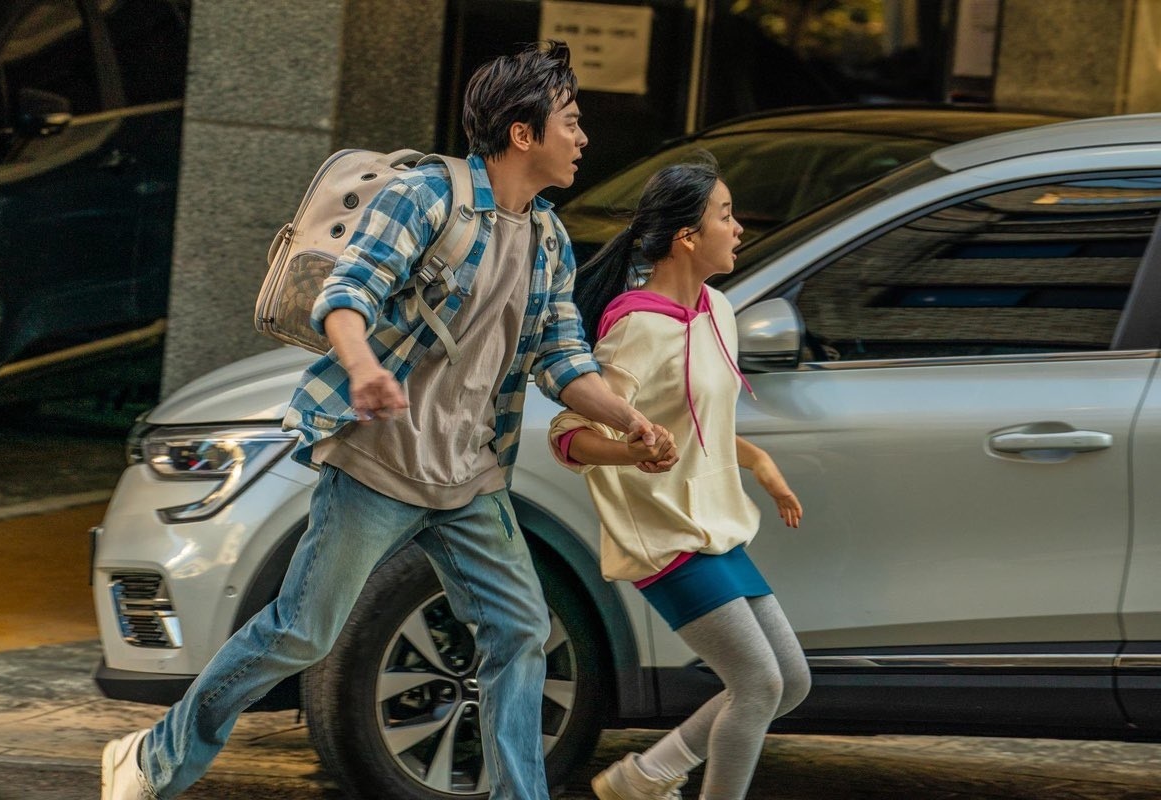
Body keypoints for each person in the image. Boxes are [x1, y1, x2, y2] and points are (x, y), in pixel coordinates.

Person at [101, 40, 669, 800]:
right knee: (302, 631)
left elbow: (562, 359)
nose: (583, 137)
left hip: (469, 478)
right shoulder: (428, 198)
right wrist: (364, 366)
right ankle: (152, 760)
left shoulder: (547, 239)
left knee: (521, 630)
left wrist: (630, 420)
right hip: (378, 463)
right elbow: (346, 294)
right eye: (570, 120)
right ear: (522, 132)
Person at [549, 160, 812, 800]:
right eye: (726, 215)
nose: (739, 228)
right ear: (688, 237)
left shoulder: (717, 309)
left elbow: (702, 425)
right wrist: (628, 452)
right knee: (758, 685)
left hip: (715, 525)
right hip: (663, 534)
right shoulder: (636, 328)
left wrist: (759, 463)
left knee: (790, 681)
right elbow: (568, 432)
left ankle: (645, 775)